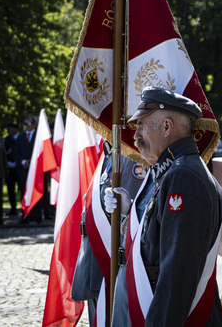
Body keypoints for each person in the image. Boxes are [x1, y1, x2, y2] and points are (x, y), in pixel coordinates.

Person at [105, 87, 222, 327]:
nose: (135, 136)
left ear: (167, 127)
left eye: (141, 126)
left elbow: (177, 273)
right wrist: (131, 213)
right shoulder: (172, 171)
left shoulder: (183, 176)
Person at [71, 140, 147, 327]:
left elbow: (133, 216)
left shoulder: (131, 153)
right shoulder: (110, 148)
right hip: (96, 261)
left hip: (113, 262)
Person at [15, 115, 41, 223]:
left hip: (36, 169)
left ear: (34, 124)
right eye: (25, 124)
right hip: (23, 169)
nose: (27, 126)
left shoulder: (39, 136)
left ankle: (38, 216)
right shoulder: (20, 137)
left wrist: (32, 162)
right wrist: (23, 162)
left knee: (37, 192)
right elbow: (16, 152)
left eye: (29, 124)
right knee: (24, 193)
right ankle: (25, 216)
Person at [4, 121, 20, 216]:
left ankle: (24, 209)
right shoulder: (6, 140)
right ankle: (13, 208)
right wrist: (8, 163)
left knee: (22, 189)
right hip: (10, 170)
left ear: (15, 129)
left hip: (20, 168)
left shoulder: (21, 138)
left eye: (10, 129)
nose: (8, 131)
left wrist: (17, 163)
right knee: (10, 189)